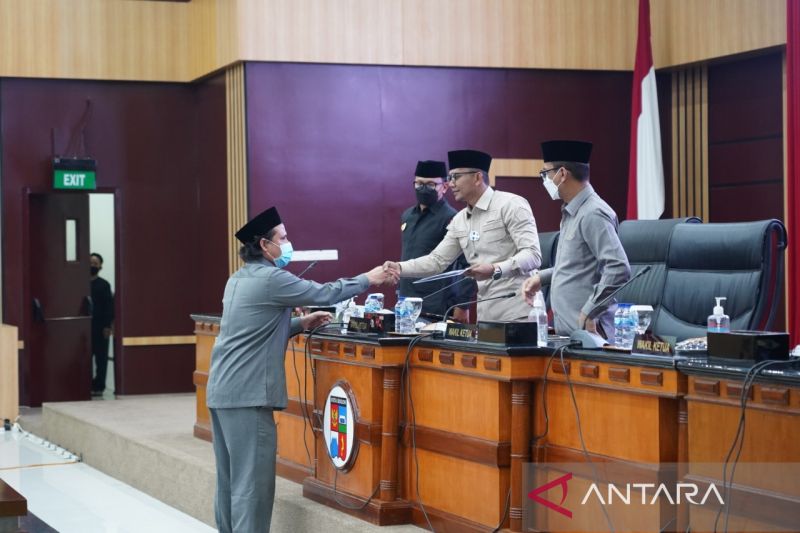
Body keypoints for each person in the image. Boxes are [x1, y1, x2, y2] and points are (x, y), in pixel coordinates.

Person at [206, 206, 396, 533]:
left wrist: (299, 322)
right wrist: (369, 278)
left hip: (223, 391)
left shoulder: (238, 278)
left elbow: (252, 328)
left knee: (230, 481)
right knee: (252, 486)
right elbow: (324, 292)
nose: (288, 243)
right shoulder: (272, 278)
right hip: (248, 397)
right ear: (265, 246)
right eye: (283, 237)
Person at [384, 149, 541, 322]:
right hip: (486, 313)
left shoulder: (510, 204)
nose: (451, 184)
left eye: (456, 177)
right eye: (450, 178)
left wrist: (495, 269)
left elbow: (533, 255)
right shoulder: (460, 220)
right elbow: (436, 261)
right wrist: (399, 268)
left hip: (519, 310)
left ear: (477, 178)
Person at [521, 140, 630, 336]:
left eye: (546, 173)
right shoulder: (571, 212)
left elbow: (618, 267)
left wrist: (590, 310)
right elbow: (576, 265)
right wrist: (541, 278)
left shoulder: (593, 213)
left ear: (562, 174)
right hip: (569, 335)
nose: (544, 179)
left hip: (591, 335)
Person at [398, 160, 475, 321]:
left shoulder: (452, 218)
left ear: (445, 187)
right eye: (418, 183)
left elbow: (469, 265)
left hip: (437, 306)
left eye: (430, 184)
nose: (423, 189)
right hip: (406, 302)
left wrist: (462, 305)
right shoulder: (407, 216)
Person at [90, 252, 114, 396]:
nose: (92, 266)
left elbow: (109, 307)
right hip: (83, 328)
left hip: (100, 328)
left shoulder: (104, 285)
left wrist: (108, 326)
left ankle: (99, 387)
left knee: (101, 359)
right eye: (90, 263)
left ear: (100, 266)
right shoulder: (78, 283)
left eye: (95, 263)